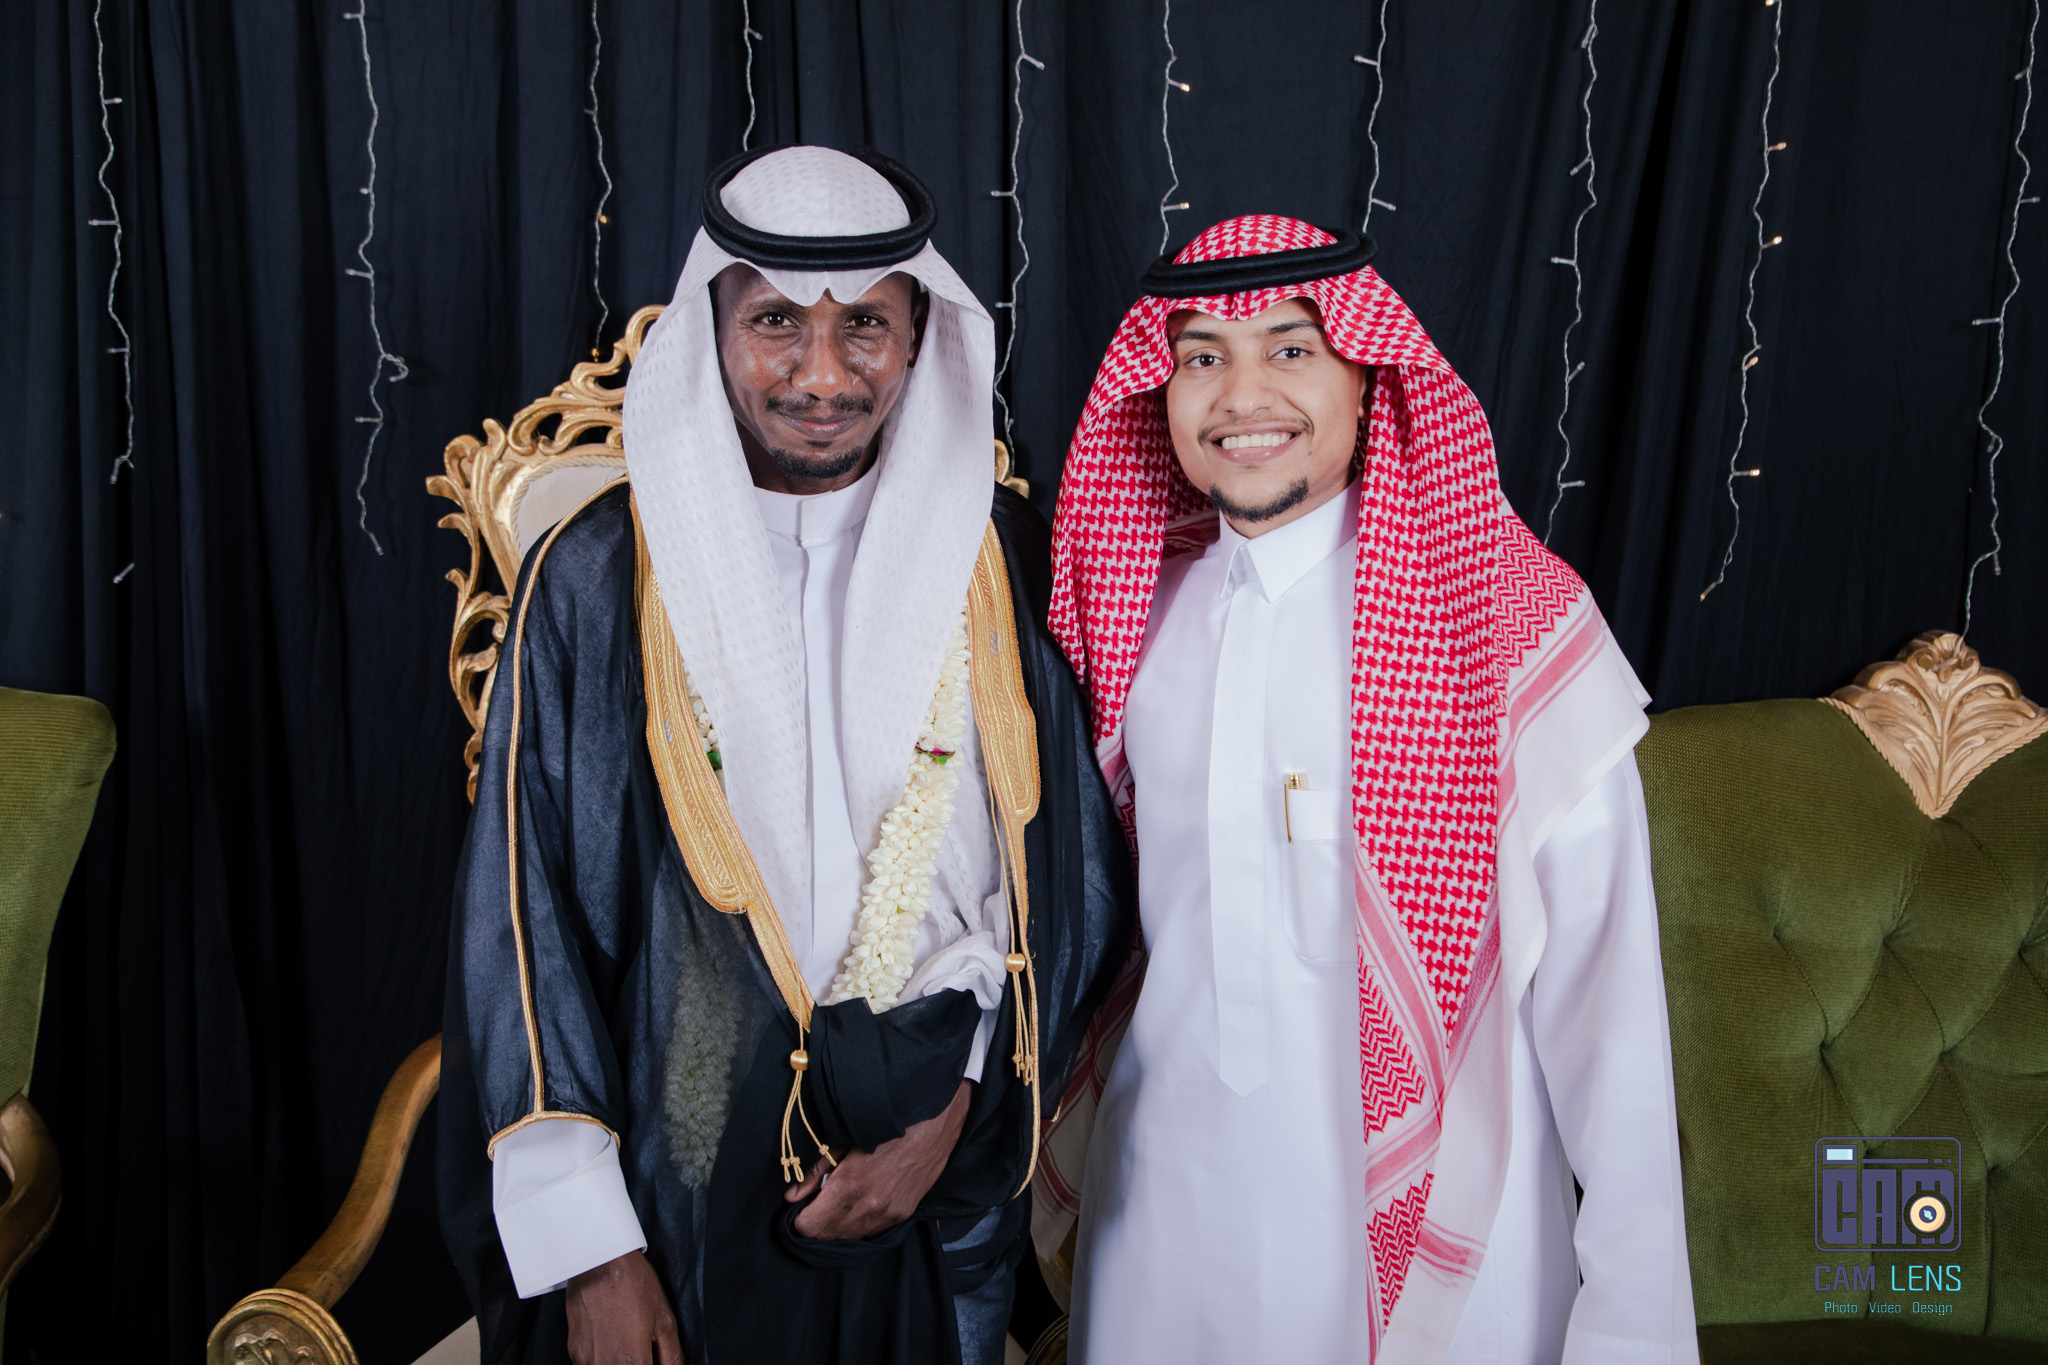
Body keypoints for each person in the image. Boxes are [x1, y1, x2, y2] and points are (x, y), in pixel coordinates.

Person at [439, 145, 1132, 1365]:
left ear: (918, 337)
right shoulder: (595, 577)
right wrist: (592, 1256)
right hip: (674, 1180)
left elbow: (1062, 879)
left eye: (864, 323)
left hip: (926, 1186)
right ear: (713, 330)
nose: (822, 374)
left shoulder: (999, 560)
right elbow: (520, 921)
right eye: (774, 322)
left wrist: (952, 1114)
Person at [1042, 216, 1697, 1363]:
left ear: (1366, 377)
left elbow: (1608, 1010)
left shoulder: (1502, 625)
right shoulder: (1133, 621)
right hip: (1162, 1233)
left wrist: (1633, 1329)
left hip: (1445, 1238)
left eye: (1291, 348)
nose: (1242, 394)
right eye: (1200, 356)